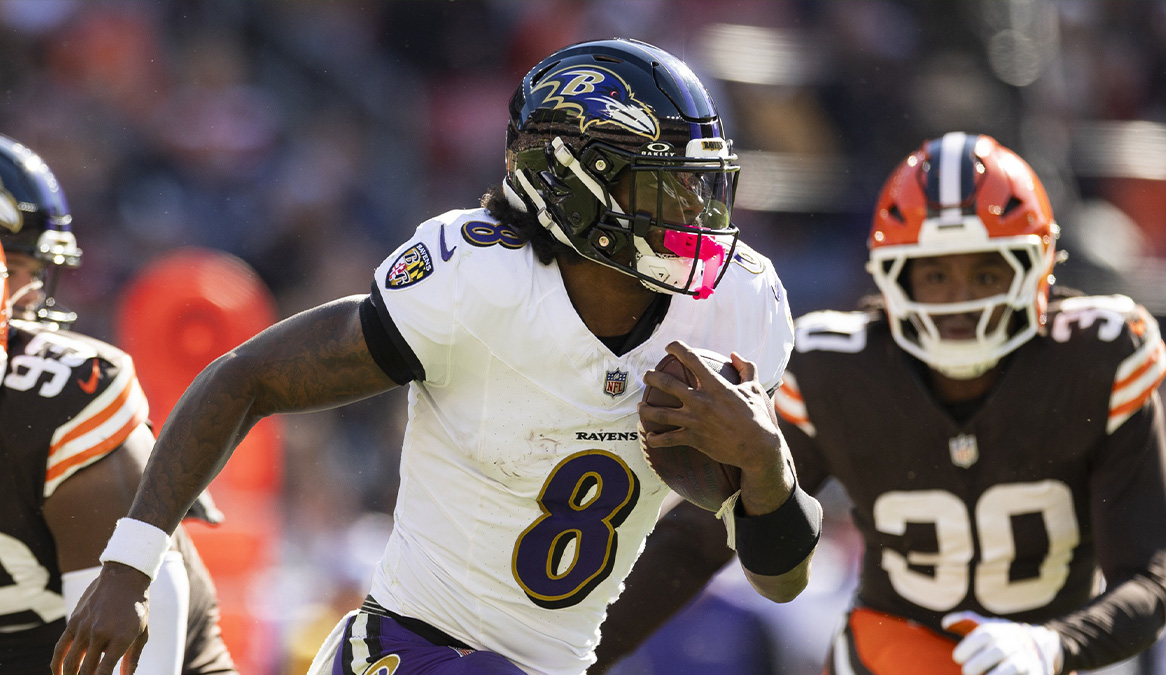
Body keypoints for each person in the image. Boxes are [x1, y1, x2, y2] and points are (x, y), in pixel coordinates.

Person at [53, 38, 821, 675]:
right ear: (570, 183)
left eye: (699, 185)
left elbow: (782, 579)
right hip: (406, 650)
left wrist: (765, 466)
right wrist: (129, 566)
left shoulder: (737, 306)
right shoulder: (480, 283)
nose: (695, 215)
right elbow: (245, 376)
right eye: (665, 189)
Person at [596, 132, 1166, 675]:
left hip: (1052, 652)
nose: (960, 303)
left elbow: (1149, 583)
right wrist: (574, 657)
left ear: (1040, 269)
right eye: (934, 277)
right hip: (893, 650)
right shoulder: (839, 371)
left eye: (985, 275)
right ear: (891, 277)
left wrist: (1053, 644)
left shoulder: (1095, 359)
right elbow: (702, 537)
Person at [0, 135, 238, 674]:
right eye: (14, 267)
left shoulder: (61, 400)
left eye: (28, 270)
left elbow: (146, 660)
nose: (28, 295)